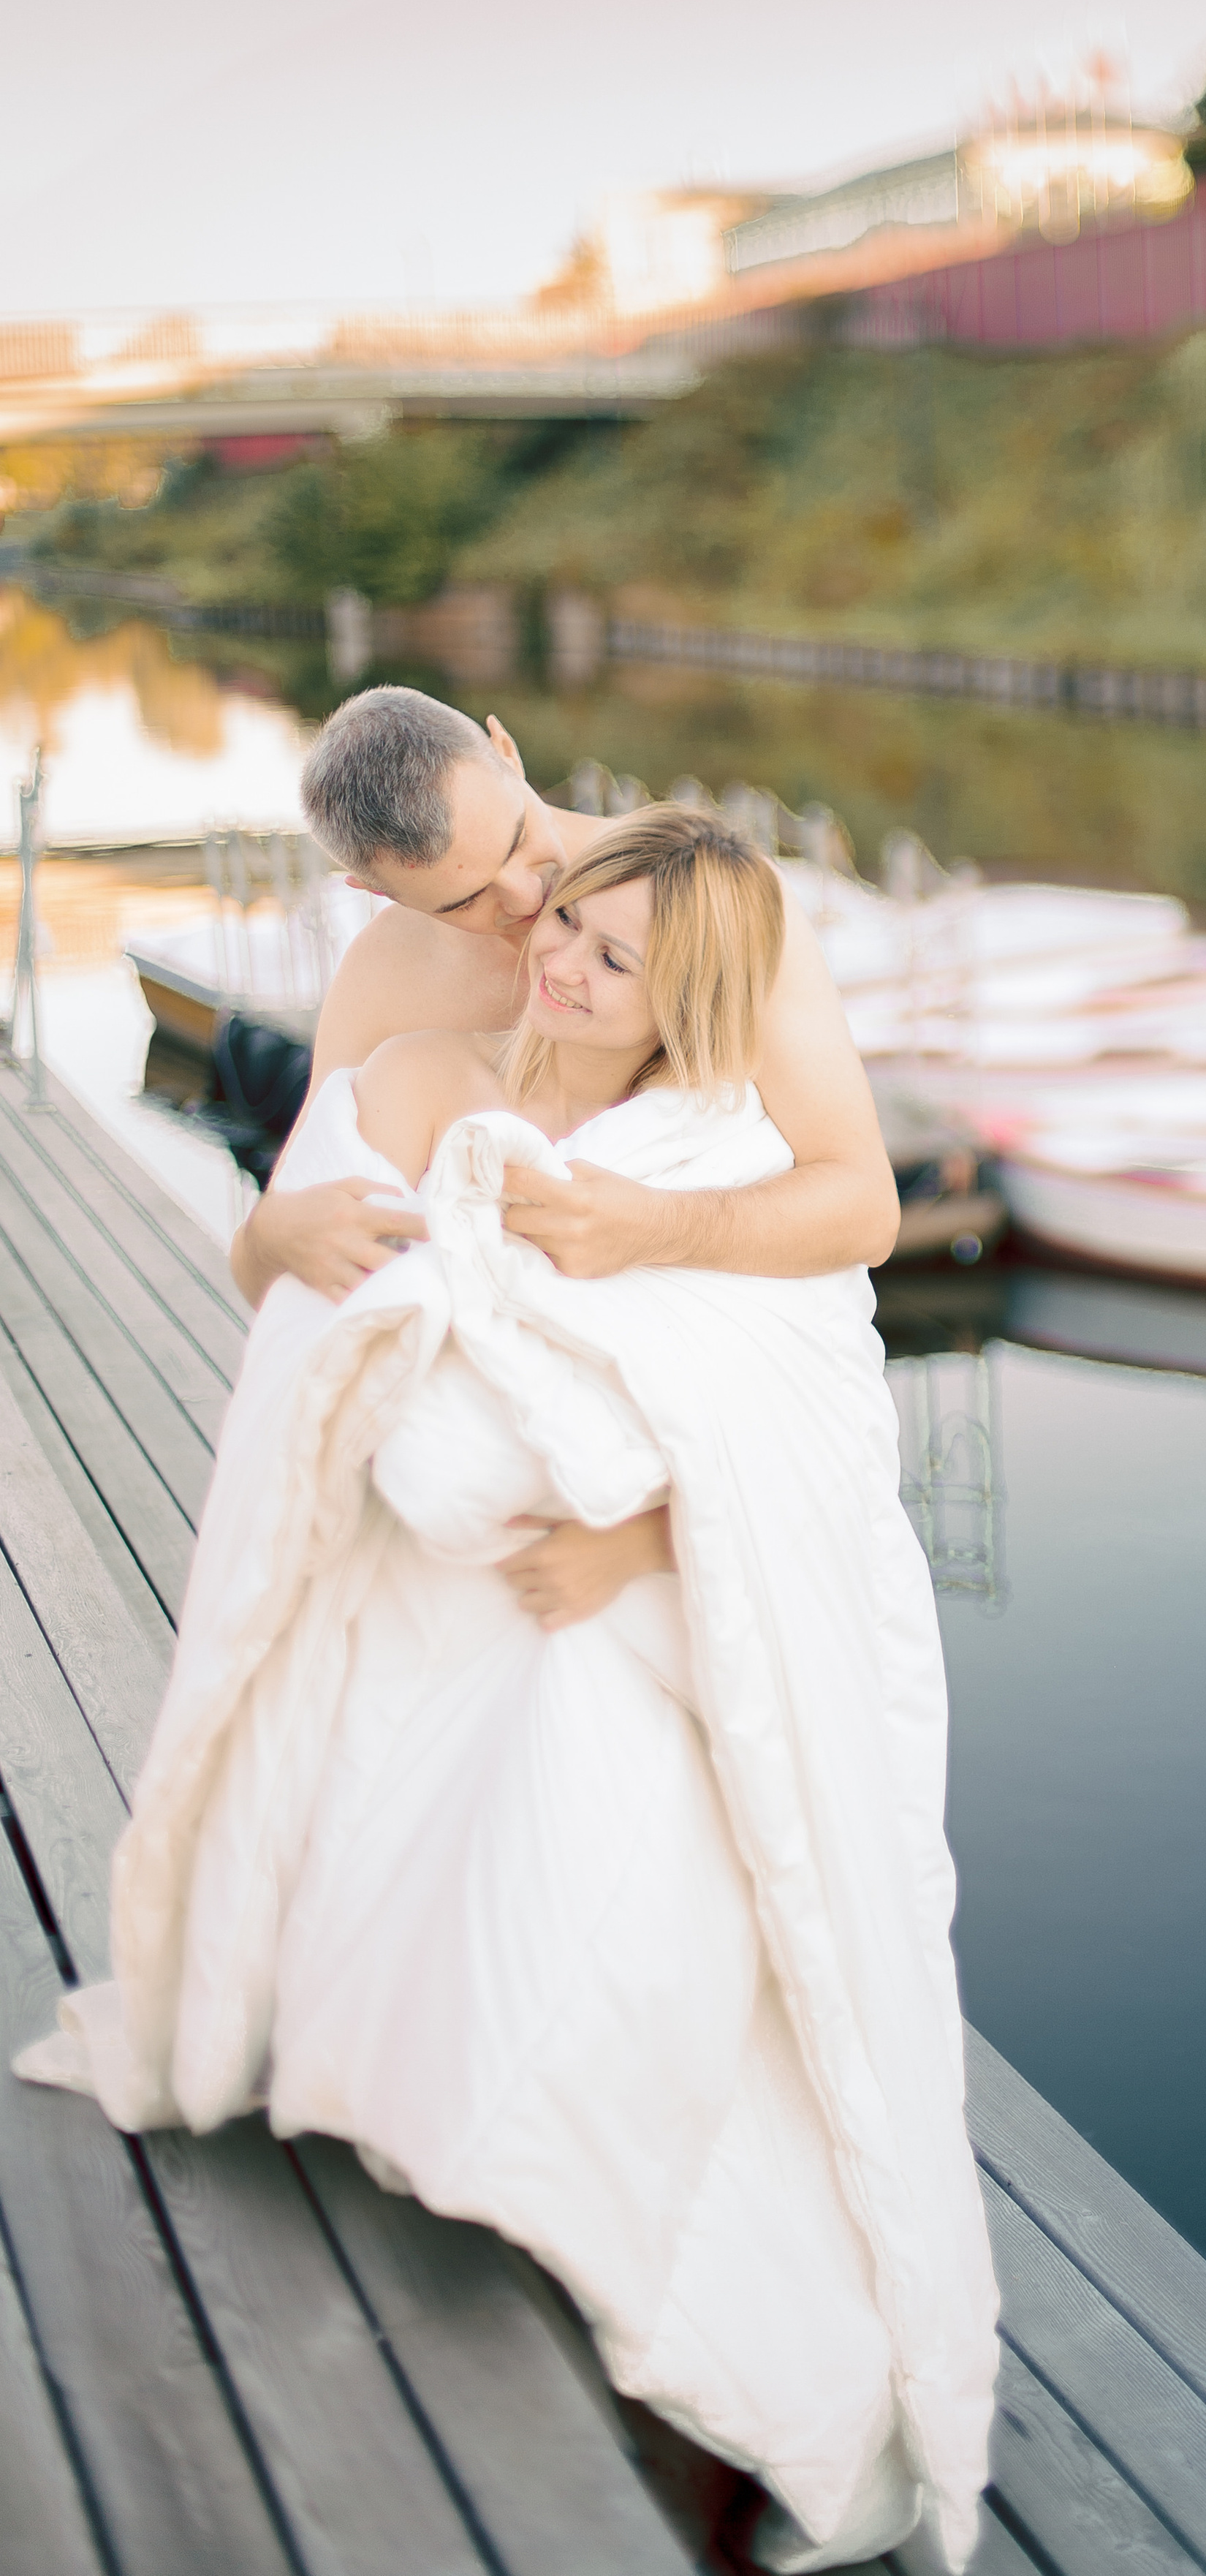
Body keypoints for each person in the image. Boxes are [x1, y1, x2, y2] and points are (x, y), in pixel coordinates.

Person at [18, 805, 1000, 2569]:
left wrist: (640, 1530)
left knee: (620, 1862)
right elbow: (297, 1273)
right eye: (562, 931)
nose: (551, 951)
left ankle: (647, 2280)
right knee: (458, 1832)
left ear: (674, 1005)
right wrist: (338, 1294)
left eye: (608, 958)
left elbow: (797, 1414)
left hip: (641, 1591)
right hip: (456, 1564)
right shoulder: (418, 1065)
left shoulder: (703, 1145)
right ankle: (467, 2128)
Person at [238, 682, 901, 1635]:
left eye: (515, 841)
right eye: (467, 898)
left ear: (507, 751)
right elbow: (280, 1267)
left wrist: (654, 1226)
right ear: (373, 893)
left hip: (699, 1490)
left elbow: (864, 1208)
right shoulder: (386, 984)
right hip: (489, 1523)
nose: (526, 898)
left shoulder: (707, 904)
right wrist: (275, 1235)